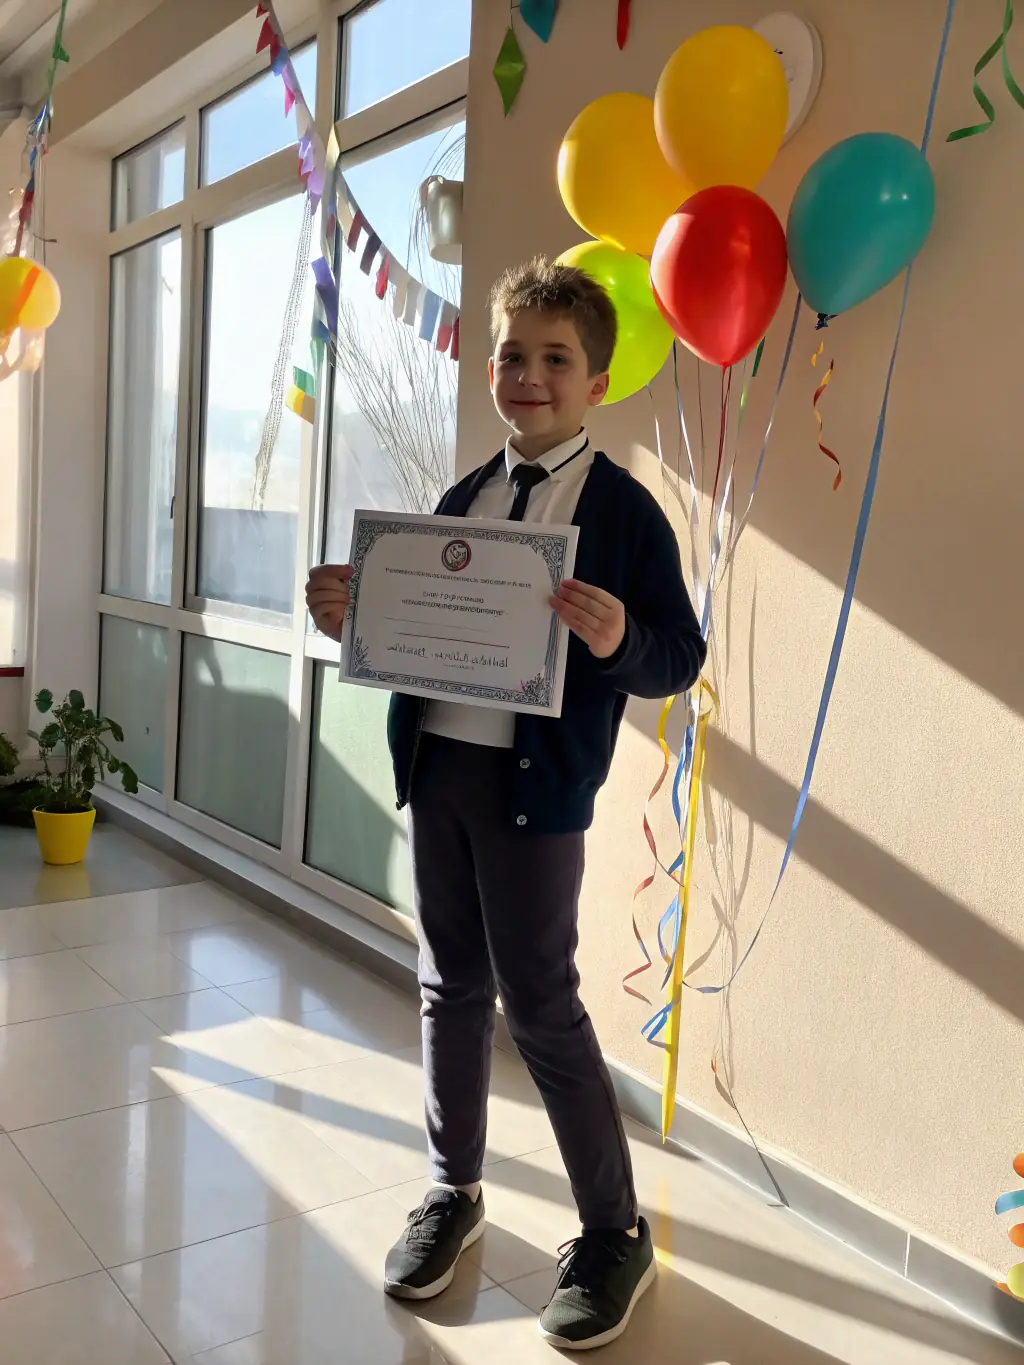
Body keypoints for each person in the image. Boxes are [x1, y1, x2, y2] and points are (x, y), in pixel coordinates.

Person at [306, 257, 705, 1351]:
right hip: (440, 772)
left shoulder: (622, 515)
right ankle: (452, 1190)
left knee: (539, 1003)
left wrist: (621, 640)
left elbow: (677, 654)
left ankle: (615, 1229)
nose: (529, 376)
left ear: (597, 382)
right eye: (513, 357)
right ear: (490, 368)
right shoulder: (463, 500)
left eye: (555, 360)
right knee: (448, 985)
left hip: (538, 795)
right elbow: (413, 634)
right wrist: (351, 611)